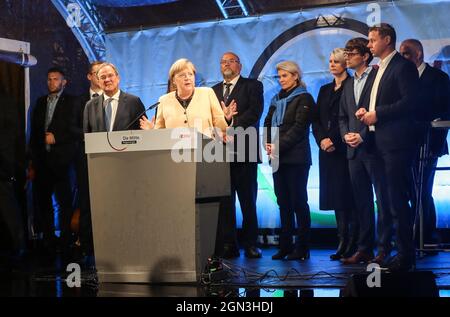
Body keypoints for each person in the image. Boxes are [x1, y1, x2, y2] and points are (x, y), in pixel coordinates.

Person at [359, 23, 419, 271]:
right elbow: (374, 101)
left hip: (396, 144)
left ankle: (405, 255)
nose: (369, 45)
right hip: (375, 143)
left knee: (397, 201)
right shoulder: (377, 69)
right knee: (383, 202)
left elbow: (410, 103)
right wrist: (365, 113)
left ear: (387, 40)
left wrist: (378, 114)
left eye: (373, 40)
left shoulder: (403, 67)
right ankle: (387, 250)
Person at [339, 37, 392, 265]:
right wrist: (345, 135)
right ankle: (364, 248)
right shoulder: (349, 83)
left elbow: (376, 110)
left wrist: (361, 135)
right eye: (346, 53)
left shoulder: (377, 77)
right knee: (362, 202)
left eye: (351, 53)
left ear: (365, 56)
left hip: (373, 147)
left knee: (383, 199)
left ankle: (384, 248)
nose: (347, 57)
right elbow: (343, 116)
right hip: (353, 152)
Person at [212, 52, 264, 259]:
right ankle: (229, 244)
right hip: (219, 153)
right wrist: (220, 128)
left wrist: (230, 125)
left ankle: (251, 243)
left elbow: (254, 113)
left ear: (239, 66)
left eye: (230, 61)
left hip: (244, 151)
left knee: (248, 201)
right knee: (225, 203)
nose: (226, 64)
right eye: (223, 61)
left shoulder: (252, 86)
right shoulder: (212, 91)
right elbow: (211, 118)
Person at [399, 39, 450, 247]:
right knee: (410, 190)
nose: (403, 58)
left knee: (423, 190)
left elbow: (445, 111)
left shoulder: (438, 77)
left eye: (406, 54)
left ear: (418, 54)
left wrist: (435, 145)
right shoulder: (402, 78)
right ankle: (415, 235)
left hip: (429, 143)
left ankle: (425, 236)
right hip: (405, 143)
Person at [264, 61, 314, 261]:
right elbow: (268, 122)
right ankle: (285, 246)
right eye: (279, 77)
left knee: (298, 202)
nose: (281, 80)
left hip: (296, 158)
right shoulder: (276, 99)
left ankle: (302, 248)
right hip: (277, 158)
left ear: (295, 76)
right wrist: (268, 143)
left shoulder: (304, 98)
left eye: (285, 76)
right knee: (283, 203)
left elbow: (299, 128)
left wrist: (278, 145)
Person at [312, 48, 357, 261]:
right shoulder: (324, 90)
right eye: (330, 61)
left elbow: (348, 119)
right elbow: (317, 120)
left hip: (344, 148)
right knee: (335, 198)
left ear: (344, 64)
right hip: (326, 151)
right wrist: (322, 140)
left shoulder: (352, 85)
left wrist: (335, 141)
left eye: (336, 61)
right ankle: (342, 240)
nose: (332, 65)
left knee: (348, 196)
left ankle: (353, 242)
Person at [29, 67, 78, 255]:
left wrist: (57, 138)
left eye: (56, 79)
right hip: (42, 162)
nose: (51, 82)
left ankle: (66, 239)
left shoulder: (72, 102)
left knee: (65, 203)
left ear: (63, 82)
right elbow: (33, 133)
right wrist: (32, 163)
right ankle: (49, 239)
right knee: (43, 203)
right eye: (49, 79)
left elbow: (76, 130)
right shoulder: (40, 102)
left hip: (63, 162)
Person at [140, 58, 236, 137]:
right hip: (174, 154)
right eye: (182, 75)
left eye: (190, 74)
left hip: (205, 153)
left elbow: (221, 129)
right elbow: (160, 134)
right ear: (173, 80)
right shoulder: (164, 100)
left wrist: (226, 119)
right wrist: (152, 132)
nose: (187, 78)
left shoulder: (207, 93)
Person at [72, 61, 104, 259]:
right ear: (89, 76)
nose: (101, 77)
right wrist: (90, 136)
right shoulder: (79, 101)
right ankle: (86, 243)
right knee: (86, 201)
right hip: (86, 157)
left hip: (111, 159)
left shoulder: (117, 99)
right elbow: (71, 127)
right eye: (96, 73)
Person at [0, 86, 26, 266]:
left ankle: (18, 246)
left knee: (7, 205)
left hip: (2, 162)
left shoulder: (6, 102)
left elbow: (11, 134)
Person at [83, 62, 145, 133]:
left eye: (110, 75)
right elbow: (87, 136)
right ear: (98, 81)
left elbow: (142, 131)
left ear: (118, 78)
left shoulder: (134, 102)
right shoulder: (90, 106)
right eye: (103, 77)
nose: (107, 80)